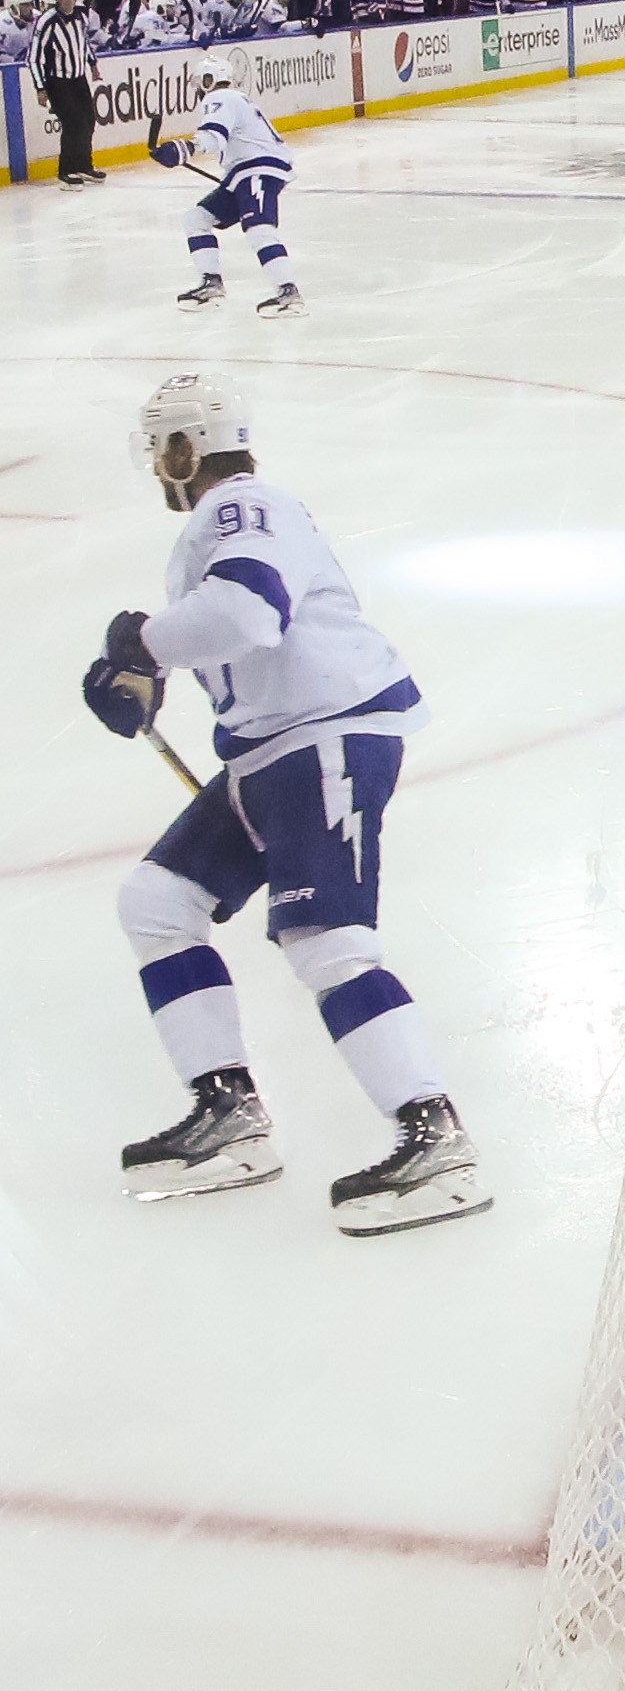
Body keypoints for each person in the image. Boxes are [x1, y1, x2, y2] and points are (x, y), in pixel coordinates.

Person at [82, 374, 490, 1236]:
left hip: (326, 739)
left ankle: (434, 1136)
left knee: (328, 942)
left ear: (187, 448)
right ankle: (229, 1112)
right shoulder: (228, 516)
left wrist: (142, 647)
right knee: (157, 903)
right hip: (272, 752)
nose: (159, 465)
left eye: (163, 446)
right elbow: (239, 639)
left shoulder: (242, 504)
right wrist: (149, 677)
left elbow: (248, 609)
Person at [157, 51, 300, 316]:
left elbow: (214, 137)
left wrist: (183, 149)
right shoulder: (235, 98)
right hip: (244, 173)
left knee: (259, 230)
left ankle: (288, 293)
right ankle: (211, 283)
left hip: (257, 169)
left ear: (208, 80)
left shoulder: (218, 98)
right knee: (196, 218)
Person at [35, 0, 100, 187]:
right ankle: (66, 170)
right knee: (73, 123)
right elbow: (34, 57)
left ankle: (84, 166)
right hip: (58, 81)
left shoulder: (80, 17)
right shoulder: (48, 21)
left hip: (78, 77)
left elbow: (84, 43)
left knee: (88, 120)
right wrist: (40, 87)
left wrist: (92, 64)